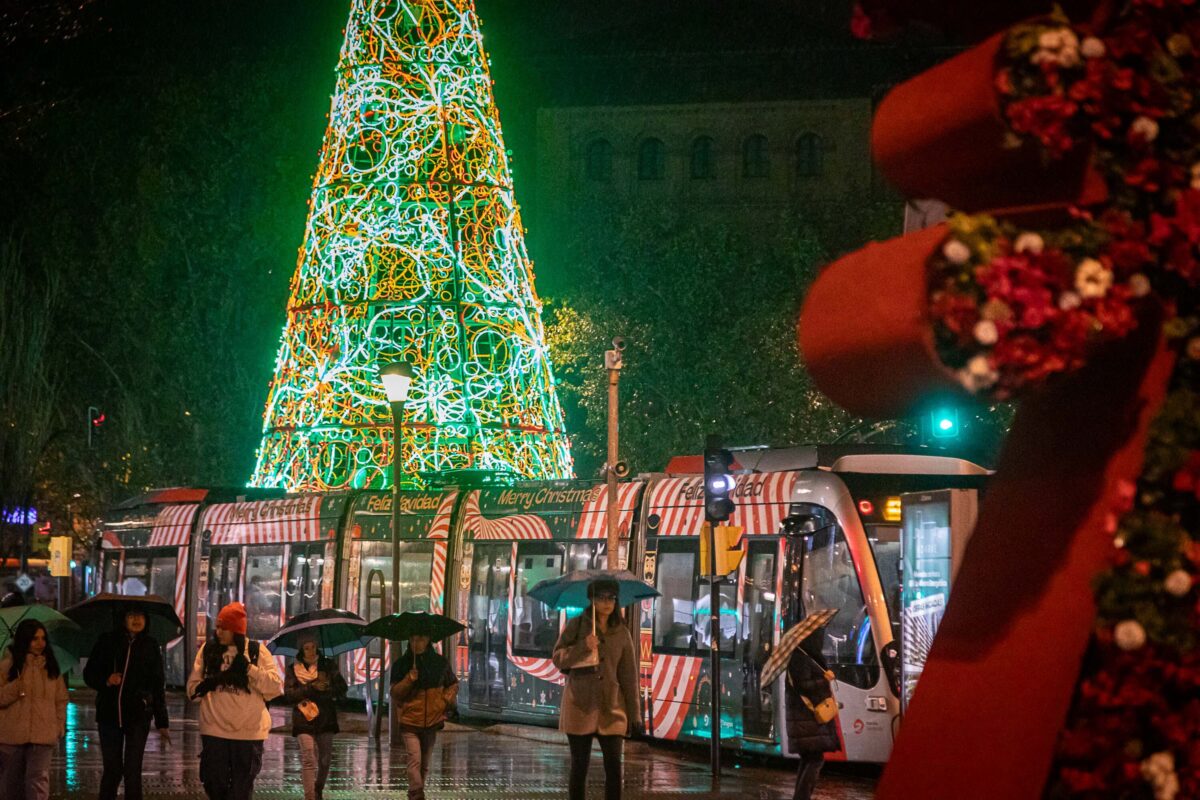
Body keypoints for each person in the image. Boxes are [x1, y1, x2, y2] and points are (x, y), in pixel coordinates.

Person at [551, 578, 640, 800]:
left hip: (612, 708)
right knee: (580, 766)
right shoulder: (576, 625)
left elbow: (629, 676)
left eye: (611, 598)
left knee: (614, 767)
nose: (607, 603)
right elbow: (558, 658)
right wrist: (583, 646)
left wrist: (635, 715)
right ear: (591, 599)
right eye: (601, 597)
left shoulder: (622, 633)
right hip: (579, 706)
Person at [187, 601, 283, 800]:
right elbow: (191, 690)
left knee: (241, 790)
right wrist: (207, 685)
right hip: (214, 730)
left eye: (225, 628)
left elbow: (275, 688)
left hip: (249, 732)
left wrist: (249, 669)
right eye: (218, 627)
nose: (219, 632)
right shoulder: (208, 650)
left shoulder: (256, 651)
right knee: (214, 784)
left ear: (237, 630)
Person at [84, 607, 172, 800]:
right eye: (131, 615)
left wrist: (162, 721)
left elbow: (158, 685)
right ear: (123, 618)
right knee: (112, 769)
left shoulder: (150, 645)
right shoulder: (107, 641)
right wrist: (107, 680)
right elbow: (89, 674)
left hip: (138, 716)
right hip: (109, 715)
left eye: (140, 616)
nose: (136, 620)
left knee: (133, 770)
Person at [0, 619, 68, 800]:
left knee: (37, 782)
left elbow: (61, 699)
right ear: (24, 640)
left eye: (43, 638)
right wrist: (16, 687)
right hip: (12, 736)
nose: (40, 643)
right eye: (34, 639)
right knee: (11, 785)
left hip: (43, 735)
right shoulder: (7, 666)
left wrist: (58, 725)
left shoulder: (51, 668)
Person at [389, 633, 458, 800]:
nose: (416, 643)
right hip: (410, 721)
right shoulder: (401, 664)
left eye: (420, 639)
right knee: (415, 759)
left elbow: (453, 684)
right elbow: (395, 693)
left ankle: (417, 790)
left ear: (428, 640)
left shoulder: (440, 663)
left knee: (425, 763)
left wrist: (443, 701)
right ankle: (416, 793)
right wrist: (409, 679)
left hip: (432, 721)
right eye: (412, 639)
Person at [283, 634, 347, 800]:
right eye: (307, 648)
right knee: (308, 758)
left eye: (313, 647)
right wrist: (311, 688)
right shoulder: (293, 669)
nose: (311, 651)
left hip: (325, 719)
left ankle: (318, 788)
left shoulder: (328, 665)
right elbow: (289, 695)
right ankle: (309, 796)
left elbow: (342, 688)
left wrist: (328, 687)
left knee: (325, 760)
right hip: (303, 719)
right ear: (301, 650)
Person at [784, 626, 840, 800]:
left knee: (809, 758)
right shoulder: (800, 658)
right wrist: (824, 680)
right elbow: (803, 685)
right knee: (815, 759)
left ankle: (800, 796)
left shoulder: (806, 656)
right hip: (807, 718)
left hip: (806, 719)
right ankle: (802, 797)